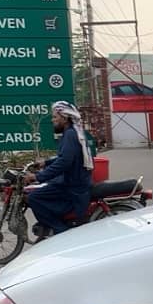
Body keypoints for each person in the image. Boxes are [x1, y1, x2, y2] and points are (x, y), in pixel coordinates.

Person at [25, 101, 93, 235]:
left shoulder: (70, 135)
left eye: (55, 117)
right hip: (74, 180)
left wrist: (38, 176)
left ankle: (60, 231)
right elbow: (66, 158)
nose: (52, 120)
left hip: (73, 185)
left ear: (65, 118)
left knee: (33, 197)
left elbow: (64, 162)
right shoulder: (72, 133)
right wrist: (46, 163)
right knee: (46, 187)